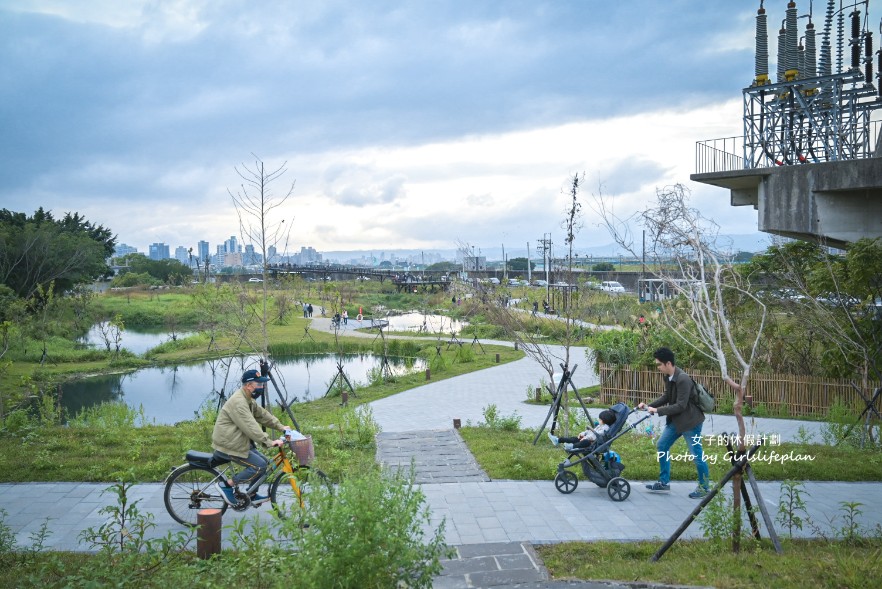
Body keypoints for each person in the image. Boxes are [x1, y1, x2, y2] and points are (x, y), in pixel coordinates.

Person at [212, 369, 293, 505]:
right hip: (228, 444)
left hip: (238, 441)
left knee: (266, 464)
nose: (262, 387)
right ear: (249, 386)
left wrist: (281, 426)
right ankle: (226, 485)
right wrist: (269, 442)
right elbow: (250, 427)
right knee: (259, 466)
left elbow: (262, 415)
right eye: (259, 384)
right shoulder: (239, 402)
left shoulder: (247, 399)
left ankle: (251, 493)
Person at [638, 347, 710, 498]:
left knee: (697, 454)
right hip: (676, 422)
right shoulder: (669, 377)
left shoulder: (683, 379)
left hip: (690, 422)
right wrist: (649, 406)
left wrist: (657, 411)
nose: (658, 367)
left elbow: (681, 405)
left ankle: (704, 488)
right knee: (662, 445)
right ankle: (664, 483)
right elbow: (666, 397)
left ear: (668, 363)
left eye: (659, 364)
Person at [547, 409, 616, 451]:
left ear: (605, 420)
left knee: (585, 442)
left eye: (600, 419)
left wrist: (586, 437)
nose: (598, 420)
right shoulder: (600, 425)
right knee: (574, 438)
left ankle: (572, 446)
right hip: (587, 438)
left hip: (592, 443)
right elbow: (590, 431)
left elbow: (596, 435)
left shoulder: (605, 428)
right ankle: (557, 440)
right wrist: (583, 433)